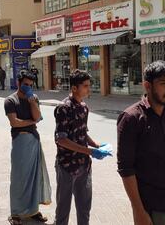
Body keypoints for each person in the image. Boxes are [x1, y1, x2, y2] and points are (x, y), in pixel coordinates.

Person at [117, 61, 165, 225]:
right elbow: (126, 169)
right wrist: (139, 211)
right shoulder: (131, 119)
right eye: (164, 84)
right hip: (152, 209)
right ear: (147, 86)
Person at [54, 70, 112, 225]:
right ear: (74, 88)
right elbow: (62, 140)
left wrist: (97, 145)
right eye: (85, 86)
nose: (88, 89)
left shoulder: (84, 107)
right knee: (63, 210)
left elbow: (82, 132)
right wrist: (91, 151)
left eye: (89, 85)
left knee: (84, 208)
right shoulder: (63, 108)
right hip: (67, 165)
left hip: (84, 166)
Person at [4, 70, 51, 225]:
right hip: (19, 142)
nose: (28, 87)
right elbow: (14, 122)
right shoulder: (11, 100)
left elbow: (37, 117)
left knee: (35, 177)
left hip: (34, 141)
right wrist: (32, 122)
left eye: (31, 85)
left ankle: (33, 210)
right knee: (19, 178)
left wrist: (32, 102)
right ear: (18, 83)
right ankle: (16, 213)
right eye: (25, 84)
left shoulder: (34, 98)